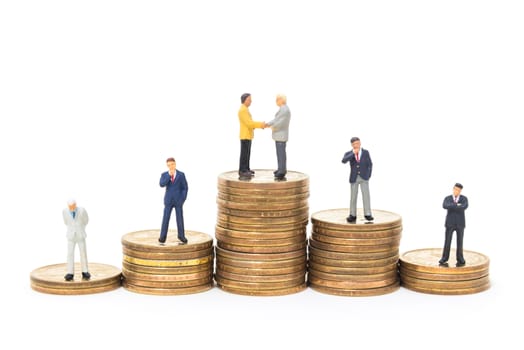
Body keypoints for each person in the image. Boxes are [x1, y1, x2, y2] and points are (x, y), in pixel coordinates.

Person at [341, 137, 373, 222]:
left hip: (364, 177)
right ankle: (352, 214)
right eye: (354, 144)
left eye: (358, 143)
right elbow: (343, 161)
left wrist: (368, 175)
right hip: (354, 177)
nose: (357, 145)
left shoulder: (366, 152)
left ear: (360, 143)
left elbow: (370, 164)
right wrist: (353, 153)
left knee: (366, 195)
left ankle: (368, 213)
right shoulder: (349, 153)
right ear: (352, 145)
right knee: (353, 196)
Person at [159, 157, 188, 245]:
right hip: (168, 200)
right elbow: (161, 184)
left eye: (172, 164)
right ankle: (162, 237)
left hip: (178, 200)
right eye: (169, 165)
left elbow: (185, 188)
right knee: (165, 218)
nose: (171, 166)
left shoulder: (181, 174)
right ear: (167, 166)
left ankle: (181, 236)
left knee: (179, 218)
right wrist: (169, 175)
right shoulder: (164, 174)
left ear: (175, 164)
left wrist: (182, 198)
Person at [439, 183, 468, 267]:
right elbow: (445, 205)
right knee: (447, 241)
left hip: (460, 223)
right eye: (455, 189)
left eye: (458, 190)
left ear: (460, 191)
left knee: (460, 242)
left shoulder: (464, 199)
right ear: (453, 189)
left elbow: (464, 206)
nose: (456, 191)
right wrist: (457, 205)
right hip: (450, 223)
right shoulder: (447, 198)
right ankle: (444, 258)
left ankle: (460, 259)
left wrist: (452, 206)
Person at [238, 93, 266, 179]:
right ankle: (242, 170)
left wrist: (254, 126)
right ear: (244, 100)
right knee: (244, 153)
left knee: (247, 153)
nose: (251, 101)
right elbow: (249, 123)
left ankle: (246, 168)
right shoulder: (243, 110)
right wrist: (260, 124)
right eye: (249, 100)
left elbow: (249, 123)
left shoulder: (245, 109)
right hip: (245, 135)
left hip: (248, 135)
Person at [62, 199, 90, 281]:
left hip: (80, 234)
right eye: (70, 206)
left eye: (73, 206)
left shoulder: (82, 210)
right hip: (71, 236)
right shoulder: (64, 211)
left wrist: (80, 228)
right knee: (70, 254)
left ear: (75, 204)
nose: (72, 208)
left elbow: (86, 220)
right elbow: (66, 222)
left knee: (83, 253)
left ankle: (85, 271)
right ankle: (70, 272)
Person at [266, 94, 291, 180]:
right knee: (279, 153)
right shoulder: (283, 109)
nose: (276, 101)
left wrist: (272, 127)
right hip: (279, 135)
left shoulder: (284, 110)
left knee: (281, 154)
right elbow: (276, 120)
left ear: (281, 100)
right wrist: (268, 124)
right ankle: (280, 169)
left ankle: (282, 171)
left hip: (281, 134)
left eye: (277, 99)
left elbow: (280, 122)